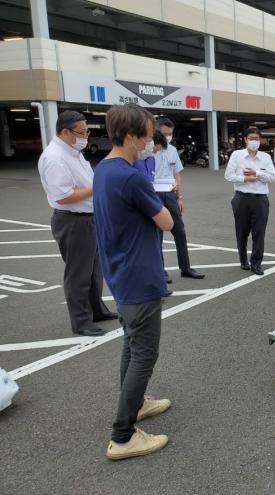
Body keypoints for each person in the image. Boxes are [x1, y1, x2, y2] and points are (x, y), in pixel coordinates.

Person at [93, 103, 174, 460]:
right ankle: (123, 435)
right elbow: (167, 221)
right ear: (129, 135)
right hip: (139, 276)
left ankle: (137, 403)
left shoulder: (104, 169)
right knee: (144, 353)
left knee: (131, 344)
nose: (150, 140)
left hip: (121, 272)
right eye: (146, 133)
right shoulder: (130, 176)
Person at [37, 110, 116, 337]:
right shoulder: (55, 158)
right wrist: (97, 187)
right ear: (65, 132)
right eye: (82, 132)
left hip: (88, 218)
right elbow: (63, 196)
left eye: (87, 131)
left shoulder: (74, 151)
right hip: (73, 221)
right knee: (78, 274)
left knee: (93, 270)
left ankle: (97, 310)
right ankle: (81, 321)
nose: (86, 137)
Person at [153, 118, 204, 283]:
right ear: (156, 131)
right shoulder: (148, 150)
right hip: (154, 195)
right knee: (157, 235)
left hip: (170, 195)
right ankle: (161, 271)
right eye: (164, 134)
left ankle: (186, 268)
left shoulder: (173, 150)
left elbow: (177, 174)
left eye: (170, 134)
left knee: (180, 232)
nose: (167, 137)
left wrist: (180, 197)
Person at [224, 127, 275, 275]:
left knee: (259, 233)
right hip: (241, 198)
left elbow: (272, 177)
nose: (254, 141)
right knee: (242, 232)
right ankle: (243, 260)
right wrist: (246, 178)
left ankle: (256, 262)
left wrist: (257, 173)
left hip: (260, 199)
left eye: (257, 139)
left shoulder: (265, 157)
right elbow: (228, 176)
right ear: (246, 139)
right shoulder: (237, 155)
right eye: (251, 138)